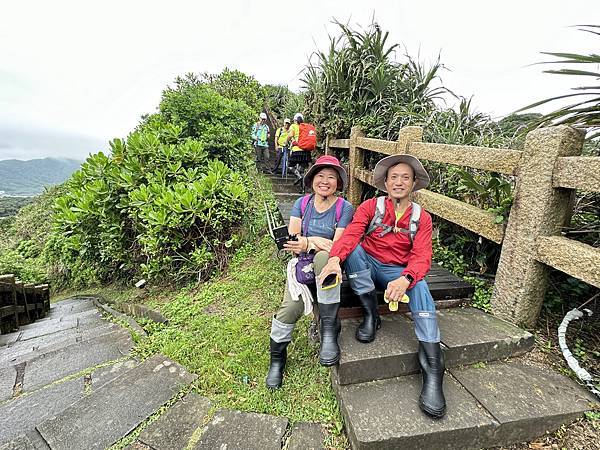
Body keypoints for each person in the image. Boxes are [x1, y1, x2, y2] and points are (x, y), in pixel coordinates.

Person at [318, 155, 446, 418]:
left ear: (413, 184)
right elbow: (352, 234)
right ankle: (371, 315)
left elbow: (422, 256)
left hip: (395, 271)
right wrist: (333, 260)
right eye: (394, 177)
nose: (399, 182)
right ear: (385, 182)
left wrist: (406, 279)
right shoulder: (370, 207)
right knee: (353, 250)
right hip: (367, 263)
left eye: (405, 178)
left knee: (420, 286)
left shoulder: (422, 218)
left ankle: (433, 367)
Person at [266, 155, 354, 389]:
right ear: (312, 179)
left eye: (331, 177)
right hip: (302, 265)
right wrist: (310, 243)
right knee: (290, 309)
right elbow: (294, 245)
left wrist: (310, 241)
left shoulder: (344, 208)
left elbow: (338, 246)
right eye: (320, 176)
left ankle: (328, 331)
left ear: (338, 183)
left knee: (325, 256)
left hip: (329, 265)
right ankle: (277, 359)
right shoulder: (302, 204)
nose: (325, 181)